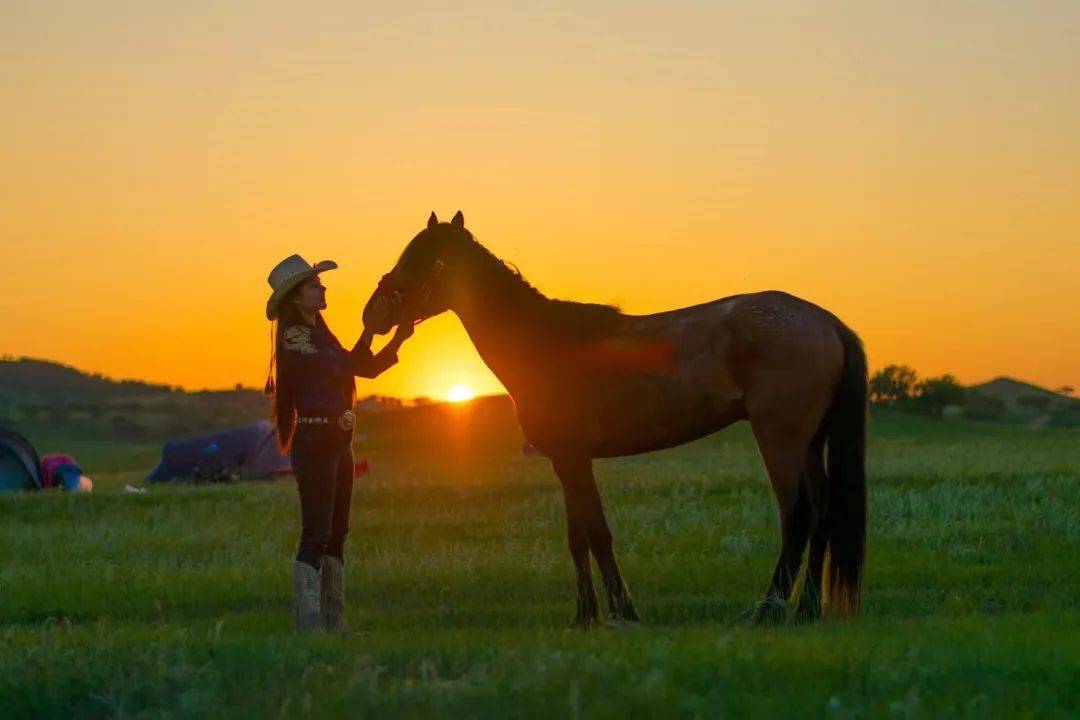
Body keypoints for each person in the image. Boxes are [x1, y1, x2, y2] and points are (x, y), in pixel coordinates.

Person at [264, 254, 414, 633]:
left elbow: (362, 367)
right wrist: (369, 333)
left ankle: (334, 621)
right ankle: (309, 623)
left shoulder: (321, 334)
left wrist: (397, 336)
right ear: (297, 297)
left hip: (337, 440)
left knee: (338, 532)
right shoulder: (294, 336)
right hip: (315, 440)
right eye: (314, 285)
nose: (322, 287)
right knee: (316, 531)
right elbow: (344, 367)